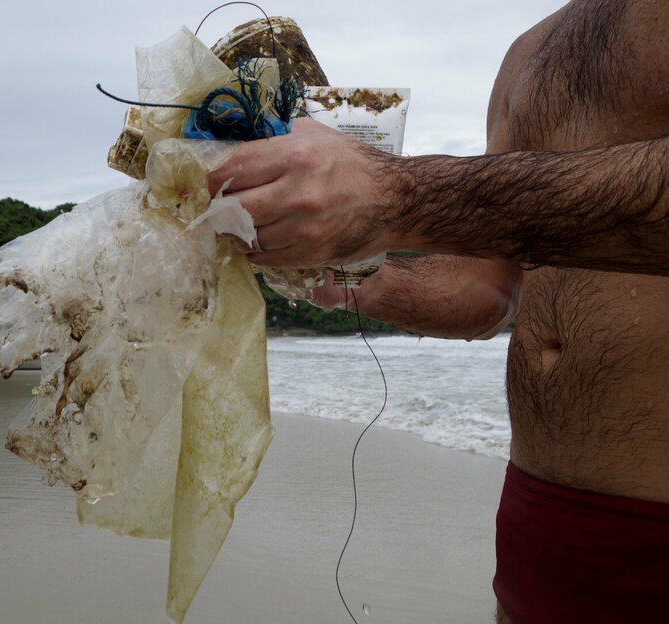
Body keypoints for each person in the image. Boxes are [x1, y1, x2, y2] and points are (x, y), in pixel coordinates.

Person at [208, 1, 669, 622]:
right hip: (541, 511)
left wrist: (395, 194)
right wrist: (340, 275)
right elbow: (482, 291)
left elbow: (407, 203)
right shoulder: (531, 49)